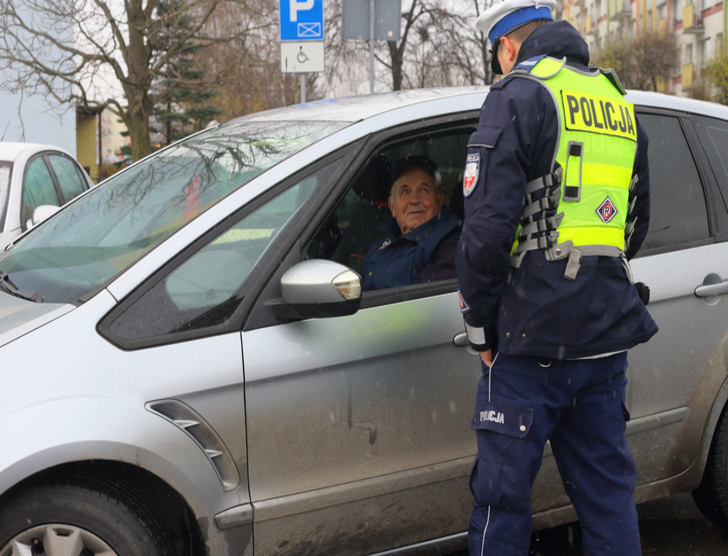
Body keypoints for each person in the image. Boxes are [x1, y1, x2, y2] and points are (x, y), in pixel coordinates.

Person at [454, 1, 659, 555]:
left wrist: (482, 331)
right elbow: (632, 225)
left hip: (530, 343)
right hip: (605, 340)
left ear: (507, 48)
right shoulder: (617, 101)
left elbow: (485, 236)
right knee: (608, 498)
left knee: (501, 503)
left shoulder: (517, 93)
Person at [362, 156, 461, 291]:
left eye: (424, 190)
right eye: (405, 192)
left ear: (440, 200)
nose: (414, 200)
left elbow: (431, 308)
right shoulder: (385, 240)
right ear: (392, 207)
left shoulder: (450, 246)